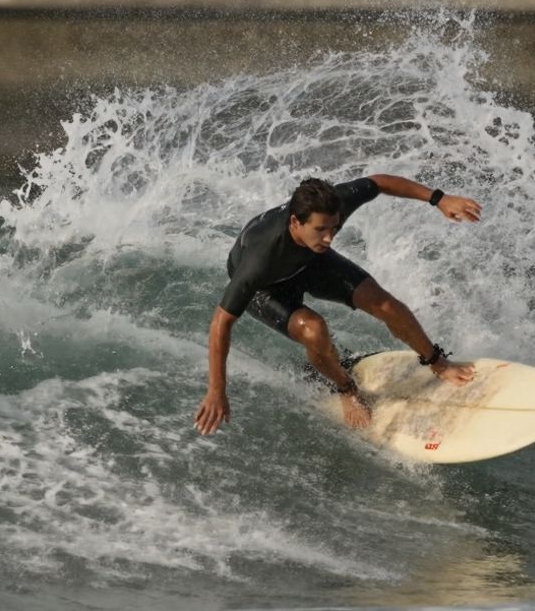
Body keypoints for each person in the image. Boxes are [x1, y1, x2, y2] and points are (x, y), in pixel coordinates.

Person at [193, 175, 482, 435]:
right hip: (266, 287)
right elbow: (221, 323)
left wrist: (439, 199)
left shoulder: (331, 212)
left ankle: (438, 363)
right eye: (321, 229)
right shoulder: (260, 257)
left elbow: (379, 182)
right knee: (314, 330)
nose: (330, 237)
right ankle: (346, 388)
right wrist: (217, 390)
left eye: (334, 227)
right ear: (295, 222)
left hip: (308, 259)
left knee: (384, 303)